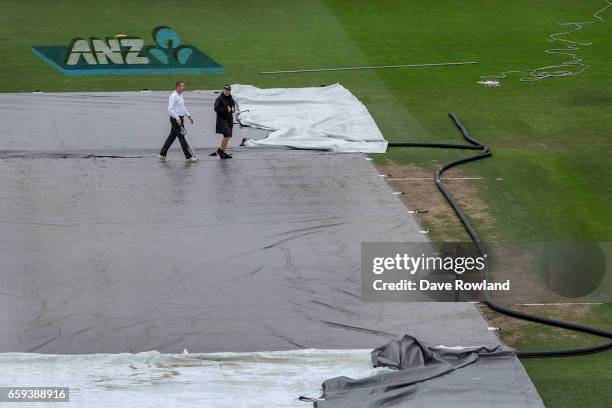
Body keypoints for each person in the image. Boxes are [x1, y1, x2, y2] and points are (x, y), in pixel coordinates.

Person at [158, 81, 198, 163]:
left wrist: (188, 115)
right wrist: (177, 118)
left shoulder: (180, 96)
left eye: (184, 85)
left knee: (171, 137)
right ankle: (188, 157)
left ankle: (162, 154)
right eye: (182, 86)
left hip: (180, 119)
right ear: (177, 87)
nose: (184, 87)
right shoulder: (173, 96)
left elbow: (182, 107)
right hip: (176, 119)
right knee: (182, 137)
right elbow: (170, 109)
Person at [213, 84, 236, 159]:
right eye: (225, 90)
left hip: (229, 119)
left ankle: (224, 152)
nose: (227, 91)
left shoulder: (230, 98)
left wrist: (232, 109)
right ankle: (220, 150)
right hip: (222, 120)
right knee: (227, 135)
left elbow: (232, 107)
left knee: (227, 137)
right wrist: (226, 109)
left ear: (230, 91)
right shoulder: (219, 98)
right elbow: (216, 109)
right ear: (223, 90)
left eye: (228, 90)